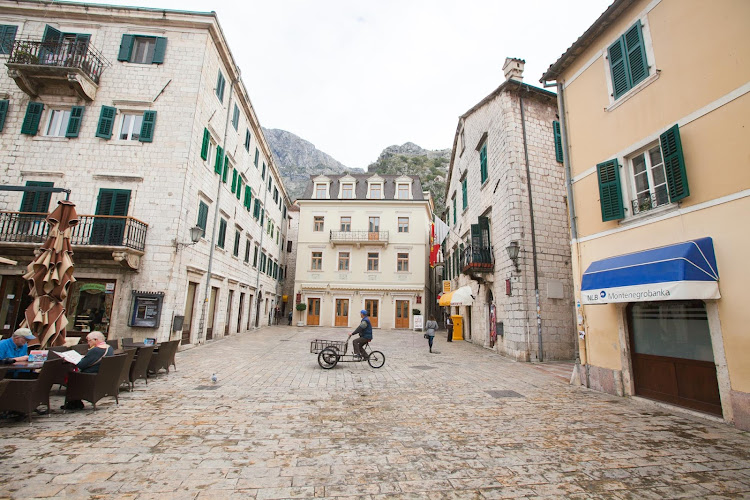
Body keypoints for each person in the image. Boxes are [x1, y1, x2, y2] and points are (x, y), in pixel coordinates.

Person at [62, 331, 114, 410]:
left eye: (89, 341)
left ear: (96, 340)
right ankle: (75, 401)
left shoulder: (96, 350)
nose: (88, 343)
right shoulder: (109, 347)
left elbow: (81, 365)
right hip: (101, 375)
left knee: (72, 376)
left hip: (91, 376)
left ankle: (74, 402)